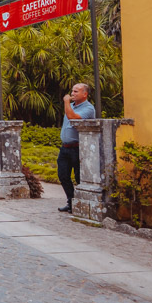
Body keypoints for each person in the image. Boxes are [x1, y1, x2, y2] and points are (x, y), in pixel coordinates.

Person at [58, 82, 97, 212]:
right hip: (65, 148)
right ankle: (71, 201)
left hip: (78, 148)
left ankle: (81, 202)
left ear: (85, 94)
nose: (72, 94)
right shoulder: (71, 106)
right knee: (63, 175)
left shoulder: (88, 108)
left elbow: (72, 117)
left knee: (79, 177)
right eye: (72, 91)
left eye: (76, 91)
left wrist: (66, 102)